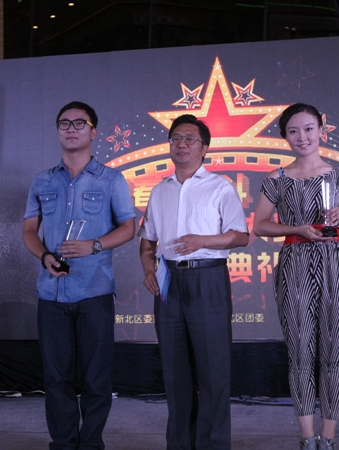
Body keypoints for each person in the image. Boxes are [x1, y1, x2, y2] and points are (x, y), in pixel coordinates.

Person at [22, 101, 136, 450]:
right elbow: (29, 230)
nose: (71, 129)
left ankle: (91, 443)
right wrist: (44, 256)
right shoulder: (42, 180)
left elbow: (129, 227)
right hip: (51, 292)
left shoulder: (111, 179)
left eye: (79, 123)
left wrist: (94, 246)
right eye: (64, 123)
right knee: (56, 378)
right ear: (58, 130)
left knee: (96, 378)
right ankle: (62, 443)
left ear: (93, 131)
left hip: (94, 292)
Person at [253, 103, 339, 450]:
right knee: (300, 353)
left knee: (335, 352)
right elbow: (260, 225)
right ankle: (306, 437)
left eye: (309, 129)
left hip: (335, 265)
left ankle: (327, 438)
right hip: (295, 264)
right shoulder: (278, 178)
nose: (302, 137)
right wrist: (297, 228)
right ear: (285, 137)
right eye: (293, 131)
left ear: (321, 131)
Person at [138, 114, 249, 450]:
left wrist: (203, 241)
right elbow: (147, 240)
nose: (181, 144)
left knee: (213, 371)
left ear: (204, 148)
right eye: (176, 138)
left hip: (207, 279)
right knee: (174, 372)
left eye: (189, 139)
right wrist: (148, 270)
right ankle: (180, 444)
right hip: (168, 281)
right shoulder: (159, 190)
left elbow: (241, 236)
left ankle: (213, 444)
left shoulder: (220, 187)